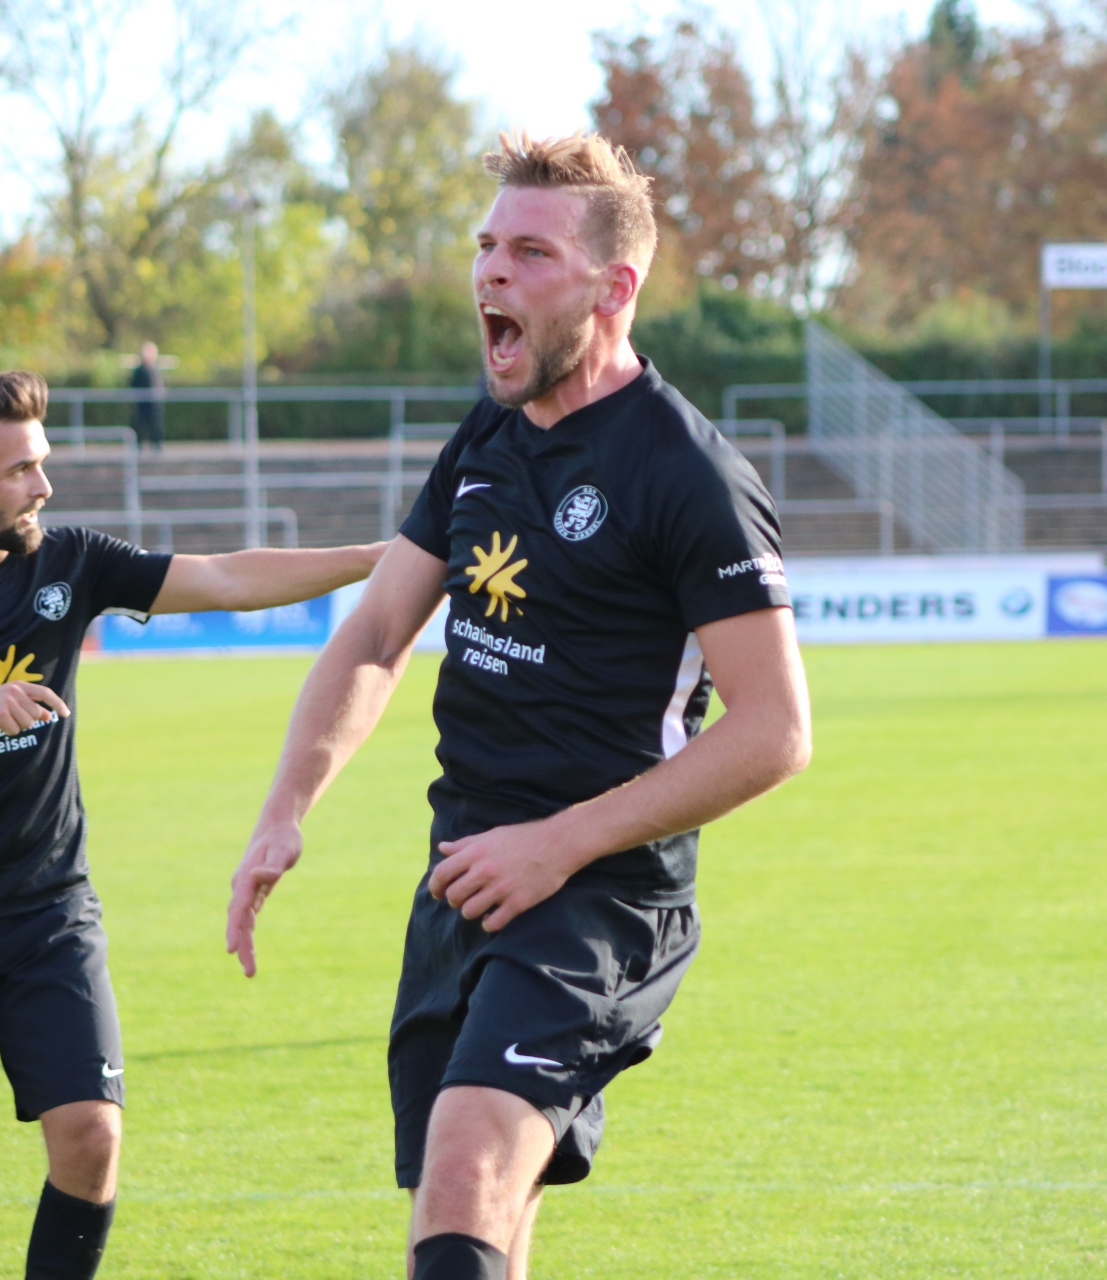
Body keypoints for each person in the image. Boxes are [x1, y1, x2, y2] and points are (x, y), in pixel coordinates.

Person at [225, 132, 812, 1280]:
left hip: (600, 893)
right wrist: (286, 807)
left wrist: (559, 843)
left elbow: (774, 729)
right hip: (465, 870)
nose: (491, 269)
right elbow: (377, 634)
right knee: (478, 1214)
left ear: (614, 285)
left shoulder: (687, 473)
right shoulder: (487, 435)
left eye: (531, 252)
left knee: (464, 1176)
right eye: (487, 244)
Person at [0, 370, 385, 1280]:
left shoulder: (71, 561)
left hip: (49, 910)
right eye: (21, 469)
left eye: (43, 462)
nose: (45, 485)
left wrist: (386, 555)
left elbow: (226, 577)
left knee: (91, 1135)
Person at [128, 341, 163, 451]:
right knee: (140, 424)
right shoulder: (139, 371)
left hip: (154, 403)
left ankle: (156, 446)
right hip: (142, 403)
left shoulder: (155, 370)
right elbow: (133, 385)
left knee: (155, 424)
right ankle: (138, 446)